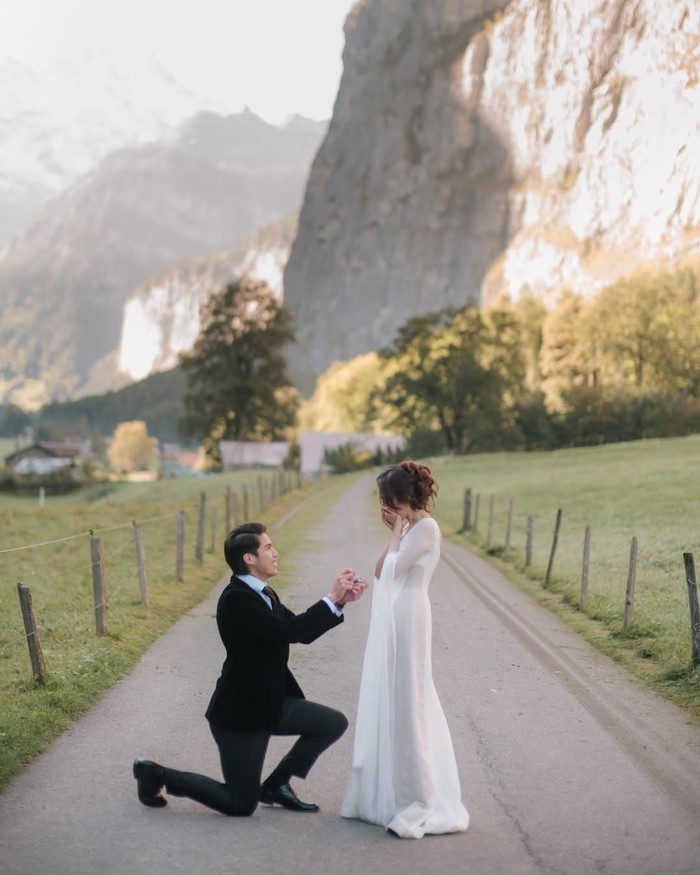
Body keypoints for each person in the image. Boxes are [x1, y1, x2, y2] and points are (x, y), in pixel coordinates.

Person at [133, 521, 367, 816]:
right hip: (241, 714)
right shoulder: (237, 599)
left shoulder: (263, 593)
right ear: (249, 558)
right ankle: (156, 774)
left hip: (270, 704)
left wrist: (339, 604)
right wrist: (330, 597)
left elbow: (301, 631)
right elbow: (290, 632)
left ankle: (276, 785)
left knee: (332, 723)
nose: (275, 553)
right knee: (240, 804)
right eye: (268, 547)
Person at [341, 461, 470, 838]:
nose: (385, 506)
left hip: (411, 615)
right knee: (397, 697)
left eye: (389, 500)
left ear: (406, 497)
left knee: (411, 698)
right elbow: (380, 569)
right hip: (398, 614)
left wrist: (396, 534)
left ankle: (419, 798)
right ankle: (392, 792)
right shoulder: (411, 528)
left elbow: (393, 571)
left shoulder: (426, 528)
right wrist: (395, 533)